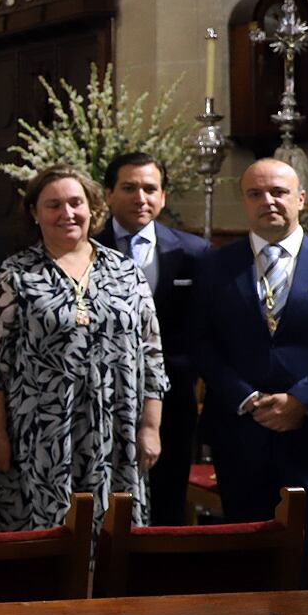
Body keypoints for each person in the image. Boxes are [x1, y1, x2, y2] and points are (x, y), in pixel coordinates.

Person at [0, 166, 166, 533]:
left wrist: (151, 427)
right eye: (53, 205)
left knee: (112, 536)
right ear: (34, 213)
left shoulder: (126, 272)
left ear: (92, 207)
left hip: (115, 432)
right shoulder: (14, 275)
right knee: (41, 541)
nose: (67, 213)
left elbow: (152, 357)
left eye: (76, 202)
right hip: (38, 437)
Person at [190, 158, 308, 526]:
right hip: (240, 432)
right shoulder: (214, 266)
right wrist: (245, 397)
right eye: (255, 193)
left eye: (279, 192)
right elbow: (200, 341)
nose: (267, 200)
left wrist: (303, 399)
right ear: (244, 201)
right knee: (246, 551)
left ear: (301, 198)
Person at [95, 152, 210, 525]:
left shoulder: (194, 253)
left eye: (150, 188)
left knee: (167, 499)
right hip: (100, 396)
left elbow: (203, 327)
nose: (140, 198)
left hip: (172, 400)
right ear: (108, 193)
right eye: (128, 188)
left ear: (163, 196)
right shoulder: (85, 248)